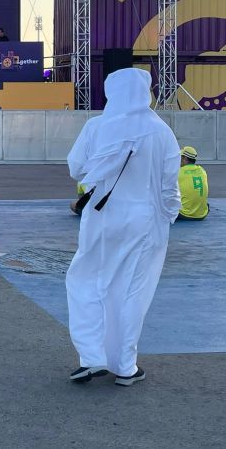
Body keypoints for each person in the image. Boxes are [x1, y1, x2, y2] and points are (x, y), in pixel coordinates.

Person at [65, 68, 181, 387]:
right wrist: (169, 216)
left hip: (101, 219)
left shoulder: (96, 126)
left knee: (85, 281)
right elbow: (170, 187)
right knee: (132, 289)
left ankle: (91, 357)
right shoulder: (161, 131)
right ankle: (125, 367)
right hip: (144, 221)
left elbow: (76, 169)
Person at [176, 146, 209, 221]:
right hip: (202, 215)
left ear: (185, 159)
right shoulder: (202, 170)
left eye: (180, 157)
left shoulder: (178, 172)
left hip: (184, 214)